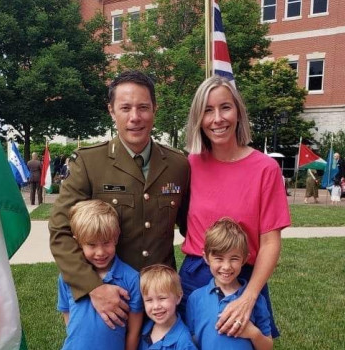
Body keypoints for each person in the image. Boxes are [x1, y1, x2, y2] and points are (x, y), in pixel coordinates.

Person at [49, 70, 190, 329]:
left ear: (155, 110)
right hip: (111, 301)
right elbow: (60, 231)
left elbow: (195, 227)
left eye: (143, 107)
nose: (135, 117)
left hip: (159, 302)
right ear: (112, 111)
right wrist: (93, 287)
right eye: (125, 108)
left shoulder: (179, 164)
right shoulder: (89, 163)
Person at [180, 75, 290, 338]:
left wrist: (249, 296)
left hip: (243, 277)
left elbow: (270, 242)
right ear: (198, 119)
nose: (217, 119)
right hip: (194, 276)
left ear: (238, 112)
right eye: (207, 110)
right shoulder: (191, 164)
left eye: (225, 107)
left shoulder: (265, 169)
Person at [57, 200, 143, 350]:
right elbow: (68, 318)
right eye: (91, 244)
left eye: (106, 243)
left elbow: (133, 333)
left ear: (116, 237)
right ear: (78, 242)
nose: (100, 252)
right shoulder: (67, 277)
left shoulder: (132, 279)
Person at [186, 218, 273, 350]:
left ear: (244, 259)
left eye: (234, 258)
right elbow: (192, 340)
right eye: (219, 258)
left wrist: (253, 333)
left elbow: (268, 346)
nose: (226, 266)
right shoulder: (195, 298)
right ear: (206, 257)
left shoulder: (255, 300)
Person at [139, 264, 196, 350]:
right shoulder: (145, 328)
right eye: (149, 300)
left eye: (162, 298)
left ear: (178, 297)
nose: (156, 306)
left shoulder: (184, 342)